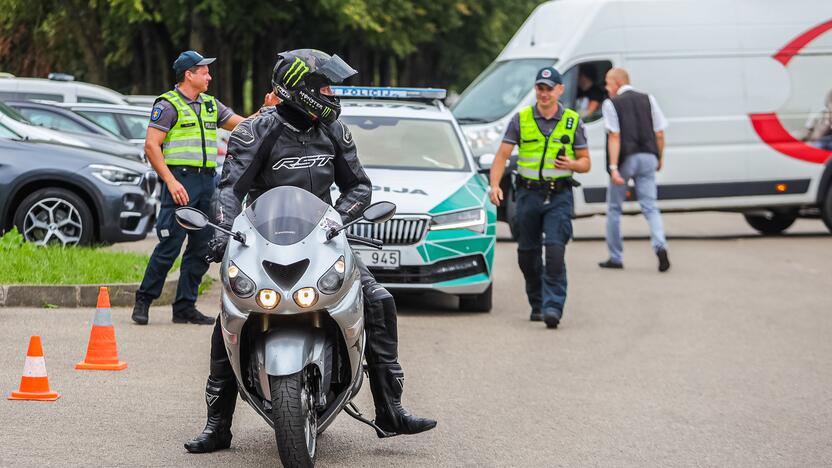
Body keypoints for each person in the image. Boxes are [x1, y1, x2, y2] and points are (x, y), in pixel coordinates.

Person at [184, 49, 436, 454]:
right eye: (324, 87)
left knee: (379, 301)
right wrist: (223, 234)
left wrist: (338, 219)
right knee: (231, 316)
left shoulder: (334, 129)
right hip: (263, 240)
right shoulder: (256, 131)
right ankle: (217, 424)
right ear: (299, 89)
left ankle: (390, 408)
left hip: (324, 238)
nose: (332, 95)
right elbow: (230, 189)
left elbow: (359, 187)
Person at [132, 51, 277, 326]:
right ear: (189, 74)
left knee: (201, 248)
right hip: (180, 181)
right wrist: (171, 182)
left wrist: (266, 108)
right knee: (169, 246)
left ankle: (185, 306)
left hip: (206, 182)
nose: (209, 76)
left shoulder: (211, 105)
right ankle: (144, 301)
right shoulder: (168, 104)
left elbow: (243, 125)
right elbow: (151, 146)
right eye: (204, 71)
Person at [489, 66, 591, 329]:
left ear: (560, 89)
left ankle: (553, 306)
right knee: (527, 253)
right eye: (540, 88)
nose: (544, 94)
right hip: (527, 195)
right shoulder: (521, 119)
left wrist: (571, 163)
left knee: (555, 252)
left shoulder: (572, 121)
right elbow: (501, 156)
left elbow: (586, 163)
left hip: (559, 195)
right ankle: (537, 301)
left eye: (549, 89)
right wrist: (495, 186)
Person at [598, 68, 670, 272]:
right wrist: (659, 157)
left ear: (618, 83)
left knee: (614, 208)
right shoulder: (648, 99)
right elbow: (659, 133)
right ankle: (660, 245)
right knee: (650, 207)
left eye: (608, 83)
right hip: (648, 156)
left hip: (625, 159)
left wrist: (613, 168)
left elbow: (614, 136)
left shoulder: (611, 103)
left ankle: (615, 257)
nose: (606, 88)